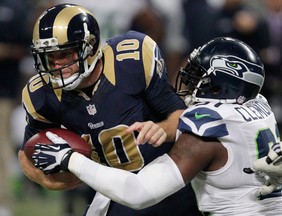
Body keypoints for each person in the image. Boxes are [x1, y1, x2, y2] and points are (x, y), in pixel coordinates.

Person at [32, 37, 282, 215]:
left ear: (221, 83)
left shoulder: (205, 131)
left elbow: (139, 192)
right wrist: (164, 129)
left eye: (199, 75)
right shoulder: (259, 105)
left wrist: (70, 160)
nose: (189, 81)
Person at [18, 3, 202, 216]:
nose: (56, 64)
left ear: (91, 46)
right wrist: (50, 180)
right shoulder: (42, 94)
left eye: (65, 54)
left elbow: (181, 117)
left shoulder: (131, 60)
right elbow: (27, 152)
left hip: (166, 176)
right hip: (113, 189)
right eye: (49, 56)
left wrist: (162, 129)